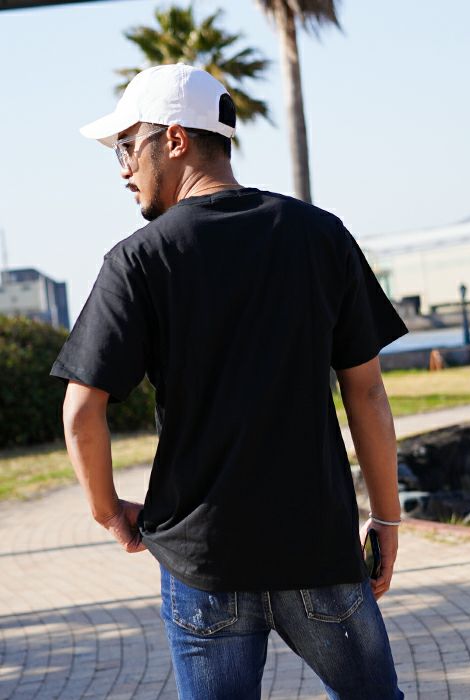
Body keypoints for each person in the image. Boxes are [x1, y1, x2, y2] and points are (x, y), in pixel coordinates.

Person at [51, 63, 408, 700]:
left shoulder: (140, 260)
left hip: (203, 562)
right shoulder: (319, 234)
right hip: (318, 551)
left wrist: (109, 513)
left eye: (127, 146)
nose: (123, 168)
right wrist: (386, 516)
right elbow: (367, 391)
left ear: (175, 140)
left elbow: (81, 411)